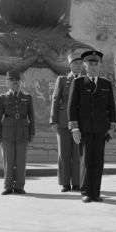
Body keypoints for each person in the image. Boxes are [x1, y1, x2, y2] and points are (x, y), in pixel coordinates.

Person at [68, 50, 116, 203]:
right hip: (85, 129)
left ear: (99, 65)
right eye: (90, 64)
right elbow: (71, 107)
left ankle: (96, 192)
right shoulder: (78, 82)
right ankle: (86, 192)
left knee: (98, 161)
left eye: (96, 64)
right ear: (85, 65)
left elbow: (112, 107)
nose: (93, 67)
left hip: (101, 129)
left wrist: (112, 127)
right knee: (86, 160)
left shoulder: (106, 84)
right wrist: (74, 128)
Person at [0, 70, 35, 195]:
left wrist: (31, 132)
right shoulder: (2, 98)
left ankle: (19, 186)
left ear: (20, 82)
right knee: (8, 160)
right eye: (12, 80)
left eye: (17, 80)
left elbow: (31, 117)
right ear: (8, 82)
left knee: (21, 161)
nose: (15, 82)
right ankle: (7, 186)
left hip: (23, 133)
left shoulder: (27, 98)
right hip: (7, 133)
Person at [50, 54, 83, 192]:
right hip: (63, 122)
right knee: (64, 153)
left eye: (80, 63)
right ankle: (65, 183)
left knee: (77, 154)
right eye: (75, 63)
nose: (78, 66)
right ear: (70, 65)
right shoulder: (63, 80)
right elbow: (55, 99)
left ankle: (76, 183)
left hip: (79, 123)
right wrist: (53, 120)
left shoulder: (84, 80)